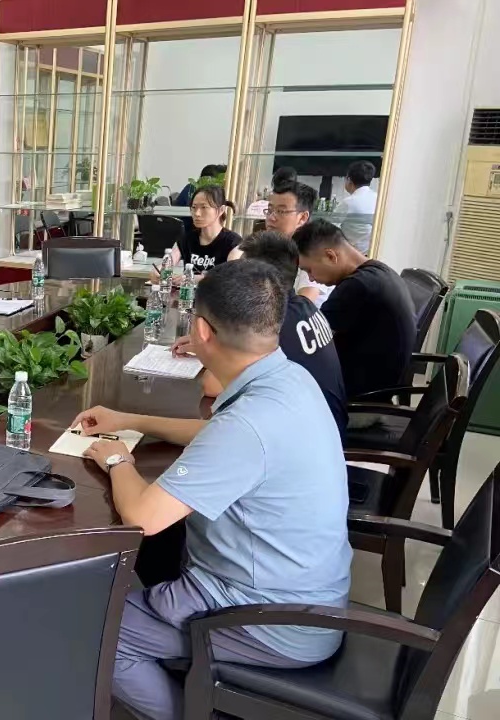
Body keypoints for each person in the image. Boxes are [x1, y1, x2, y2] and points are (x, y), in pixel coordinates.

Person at [73, 260, 351, 720]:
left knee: (94, 635)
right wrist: (129, 420)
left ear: (201, 329)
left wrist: (118, 459)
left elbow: (143, 517)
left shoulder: (249, 424)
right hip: (305, 596)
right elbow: (217, 434)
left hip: (270, 621)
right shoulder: (289, 379)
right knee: (160, 558)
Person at [181, 231, 347, 436]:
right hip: (322, 426)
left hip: (300, 436)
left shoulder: (272, 323)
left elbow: (212, 386)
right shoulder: (303, 306)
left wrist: (208, 342)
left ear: (259, 281)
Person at [293, 219, 415, 407]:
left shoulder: (357, 286)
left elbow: (309, 339)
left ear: (331, 256)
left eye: (309, 270)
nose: (311, 278)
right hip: (379, 387)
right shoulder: (379, 271)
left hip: (360, 400)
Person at [257, 179, 332, 307]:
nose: (271, 217)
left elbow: (303, 304)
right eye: (269, 210)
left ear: (302, 218)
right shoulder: (272, 246)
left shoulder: (312, 251)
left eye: (281, 211)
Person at [150, 184, 240, 282]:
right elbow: (170, 260)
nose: (197, 213)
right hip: (187, 292)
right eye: (194, 207)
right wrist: (158, 270)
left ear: (221, 210)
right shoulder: (187, 239)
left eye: (204, 207)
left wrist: (193, 279)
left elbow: (231, 277)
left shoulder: (233, 243)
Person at [332, 160, 378, 255]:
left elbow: (330, 228)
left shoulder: (348, 203)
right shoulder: (378, 199)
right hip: (373, 252)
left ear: (349, 179)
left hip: (353, 254)